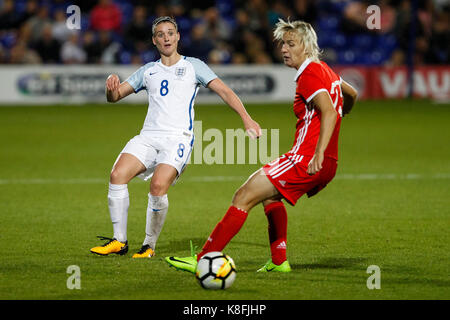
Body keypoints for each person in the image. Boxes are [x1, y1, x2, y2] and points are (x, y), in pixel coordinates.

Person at [165, 18, 358, 273]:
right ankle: (279, 262)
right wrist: (340, 120)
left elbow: (330, 111)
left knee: (243, 196)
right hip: (325, 162)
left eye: (291, 44)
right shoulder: (326, 70)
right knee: (269, 198)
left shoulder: (310, 73)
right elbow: (351, 94)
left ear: (308, 46)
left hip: (307, 159)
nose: (284, 49)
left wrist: (318, 152)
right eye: (282, 44)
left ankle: (204, 258)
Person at [90, 16, 261, 258]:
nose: (166, 37)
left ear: (178, 36)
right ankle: (119, 241)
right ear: (154, 40)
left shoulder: (194, 66)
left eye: (170, 33)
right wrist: (110, 90)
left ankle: (149, 245)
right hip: (149, 136)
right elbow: (116, 96)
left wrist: (246, 118)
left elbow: (225, 91)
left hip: (178, 138)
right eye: (160, 34)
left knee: (158, 186)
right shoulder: (148, 71)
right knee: (117, 175)